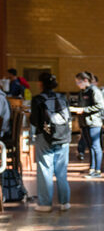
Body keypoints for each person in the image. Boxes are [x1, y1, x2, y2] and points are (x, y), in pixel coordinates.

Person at [30, 73, 72, 212]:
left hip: (45, 137)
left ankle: (45, 204)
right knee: (61, 171)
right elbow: (69, 117)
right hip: (63, 137)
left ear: (41, 83)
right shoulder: (62, 97)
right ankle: (64, 203)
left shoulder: (37, 99)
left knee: (45, 170)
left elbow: (35, 121)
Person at [69, 72, 104, 178]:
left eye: (78, 82)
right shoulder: (82, 92)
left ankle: (97, 171)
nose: (77, 84)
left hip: (94, 123)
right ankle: (92, 168)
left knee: (96, 146)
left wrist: (83, 110)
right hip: (84, 122)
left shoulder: (94, 90)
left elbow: (100, 105)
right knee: (90, 146)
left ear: (85, 80)